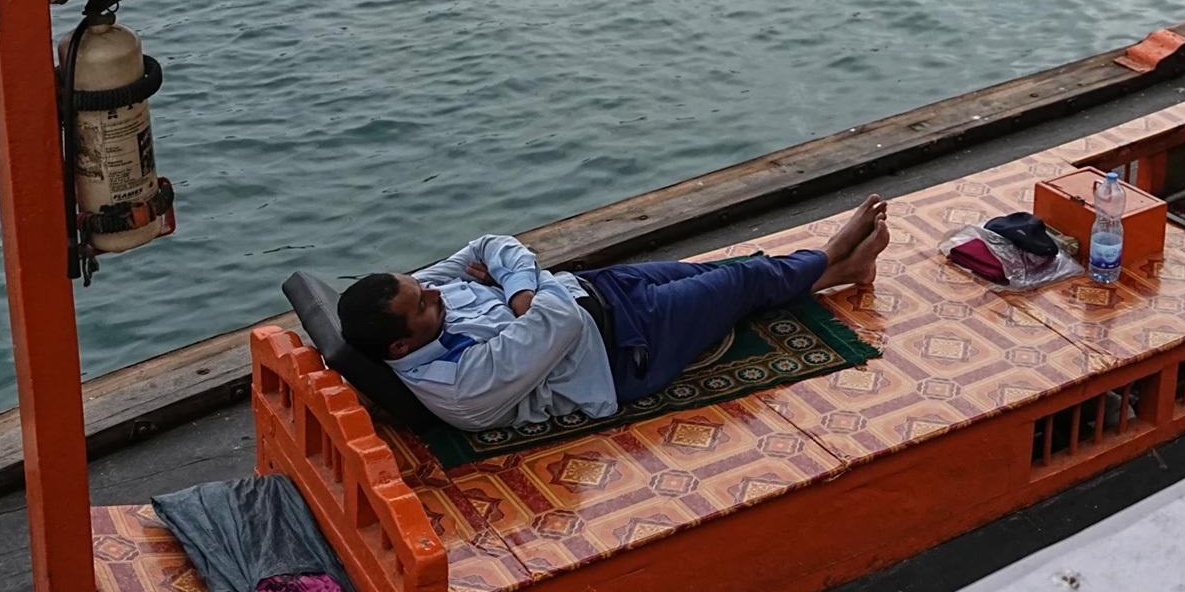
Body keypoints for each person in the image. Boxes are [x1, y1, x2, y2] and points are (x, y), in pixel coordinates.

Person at [338, 195, 890, 432]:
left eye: (423, 286)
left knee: (719, 273)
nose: (434, 292)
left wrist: (518, 290)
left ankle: (843, 270)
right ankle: (832, 254)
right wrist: (517, 289)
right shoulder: (461, 386)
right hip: (623, 350)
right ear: (401, 346)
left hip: (593, 289)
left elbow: (490, 244)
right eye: (422, 304)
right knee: (741, 280)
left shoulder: (423, 300)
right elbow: (560, 322)